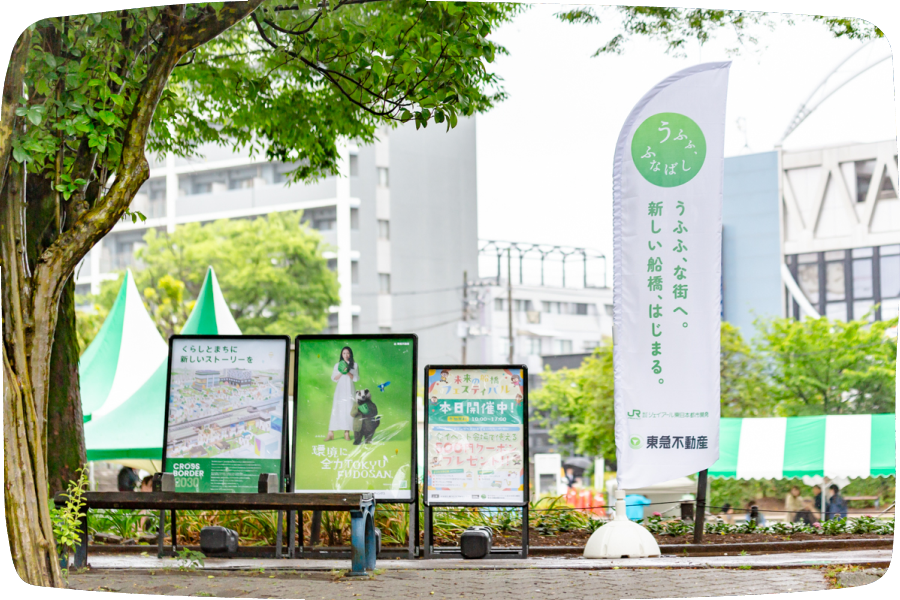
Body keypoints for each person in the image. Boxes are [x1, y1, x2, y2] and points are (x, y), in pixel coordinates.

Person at [327, 346, 360, 442]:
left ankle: (347, 433)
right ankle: (330, 432)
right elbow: (334, 378)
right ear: (342, 354)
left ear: (350, 354)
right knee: (337, 408)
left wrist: (348, 371)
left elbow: (356, 378)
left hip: (349, 389)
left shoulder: (355, 365)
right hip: (340, 390)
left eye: (348, 353)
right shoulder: (337, 365)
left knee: (349, 409)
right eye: (344, 353)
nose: (346, 355)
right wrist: (342, 372)